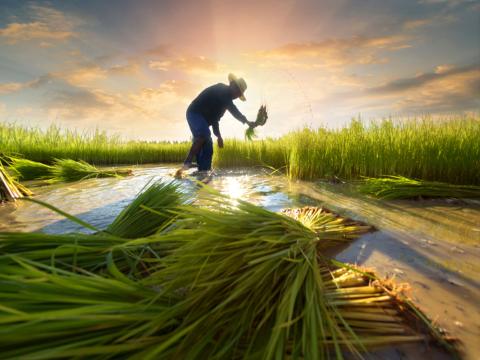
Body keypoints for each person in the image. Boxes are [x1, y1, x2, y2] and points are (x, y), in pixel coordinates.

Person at [180, 73, 254, 173]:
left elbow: (215, 120)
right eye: (237, 90)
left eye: (239, 93)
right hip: (194, 113)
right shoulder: (221, 89)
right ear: (231, 84)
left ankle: (203, 172)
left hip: (203, 122)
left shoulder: (224, 104)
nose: (237, 94)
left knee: (208, 146)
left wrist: (218, 136)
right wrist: (246, 121)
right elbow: (233, 109)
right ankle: (187, 162)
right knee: (204, 134)